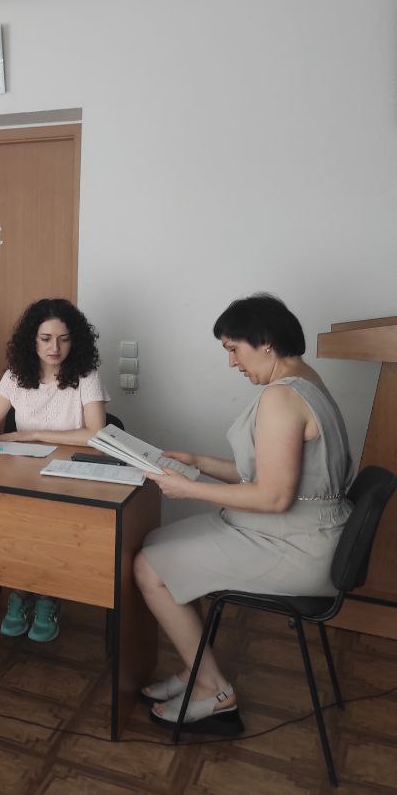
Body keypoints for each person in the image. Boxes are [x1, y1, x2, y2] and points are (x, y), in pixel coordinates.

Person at [133, 294, 352, 736]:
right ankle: (195, 666)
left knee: (147, 567)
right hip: (306, 531)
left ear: (265, 341)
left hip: (295, 546)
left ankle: (213, 691)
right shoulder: (306, 380)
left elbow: (273, 497)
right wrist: (197, 462)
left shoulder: (280, 398)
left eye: (234, 349)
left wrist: (188, 489)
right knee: (157, 544)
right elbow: (269, 472)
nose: (232, 362)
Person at [0, 298, 107, 642]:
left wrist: (33, 434)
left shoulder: (86, 376)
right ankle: (19, 592)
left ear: (75, 340)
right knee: (11, 516)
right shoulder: (16, 375)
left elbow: (96, 434)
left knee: (48, 519)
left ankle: (47, 597)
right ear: (32, 340)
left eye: (63, 339)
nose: (54, 347)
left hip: (68, 475)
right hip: (23, 473)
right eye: (46, 339)